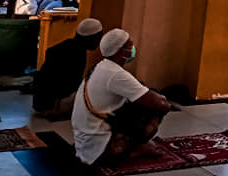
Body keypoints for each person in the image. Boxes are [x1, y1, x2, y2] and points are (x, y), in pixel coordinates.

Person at [71, 29, 171, 166]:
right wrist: (162, 100)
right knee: (156, 106)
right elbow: (160, 103)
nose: (133, 49)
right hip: (99, 152)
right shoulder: (116, 74)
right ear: (121, 51)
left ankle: (128, 143)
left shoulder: (100, 67)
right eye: (130, 45)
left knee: (138, 100)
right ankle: (134, 147)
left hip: (84, 145)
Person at [33, 18, 104, 116]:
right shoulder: (76, 55)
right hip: (53, 105)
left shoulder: (67, 46)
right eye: (98, 37)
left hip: (41, 103)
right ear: (90, 38)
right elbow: (66, 87)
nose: (99, 41)